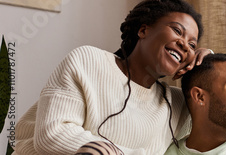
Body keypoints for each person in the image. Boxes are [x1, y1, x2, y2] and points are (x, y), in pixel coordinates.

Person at [13, 0, 211, 154]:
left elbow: (223, 121)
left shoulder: (176, 103)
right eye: (177, 31)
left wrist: (208, 67)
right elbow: (52, 135)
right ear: (143, 30)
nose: (185, 45)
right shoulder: (88, 61)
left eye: (192, 45)